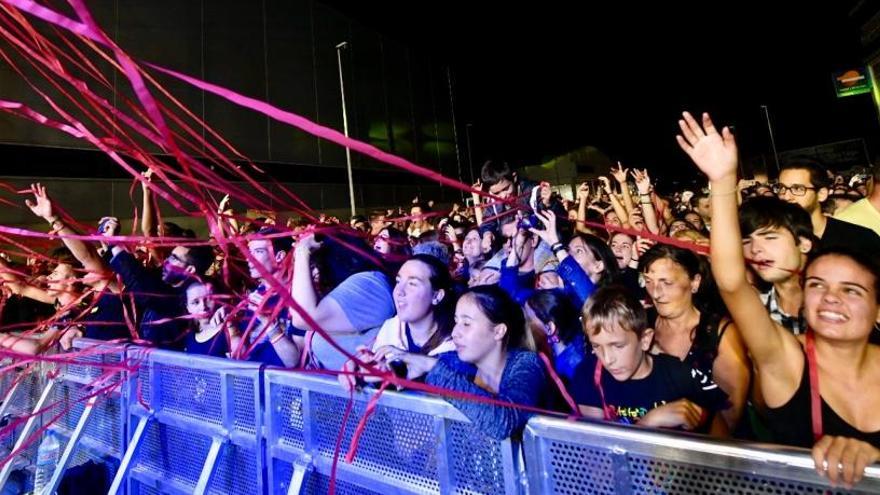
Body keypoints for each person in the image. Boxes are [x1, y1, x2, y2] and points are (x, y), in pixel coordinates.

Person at [680, 110, 880, 487]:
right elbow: (733, 283)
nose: (831, 298)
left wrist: (873, 460)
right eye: (818, 285)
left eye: (851, 290)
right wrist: (722, 181)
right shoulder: (787, 361)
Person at [379, 285, 550, 440]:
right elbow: (404, 372)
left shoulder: (527, 364)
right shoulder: (455, 361)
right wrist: (379, 373)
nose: (455, 333)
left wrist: (431, 367)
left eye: (466, 324)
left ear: (498, 331)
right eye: (456, 322)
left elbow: (503, 423)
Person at [571, 286, 729, 435]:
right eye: (597, 346)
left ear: (645, 340)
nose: (607, 359)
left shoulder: (681, 376)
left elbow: (722, 440)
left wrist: (700, 422)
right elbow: (597, 450)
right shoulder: (588, 375)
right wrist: (647, 424)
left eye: (618, 346)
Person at [638, 244, 750, 432]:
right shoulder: (642, 323)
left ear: (695, 282)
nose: (656, 293)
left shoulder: (719, 335)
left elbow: (728, 418)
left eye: (667, 282)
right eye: (649, 281)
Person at [339, 254, 456, 390]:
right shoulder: (390, 330)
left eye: (412, 283)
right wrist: (360, 371)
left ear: (436, 296)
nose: (399, 291)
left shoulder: (456, 343)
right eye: (398, 281)